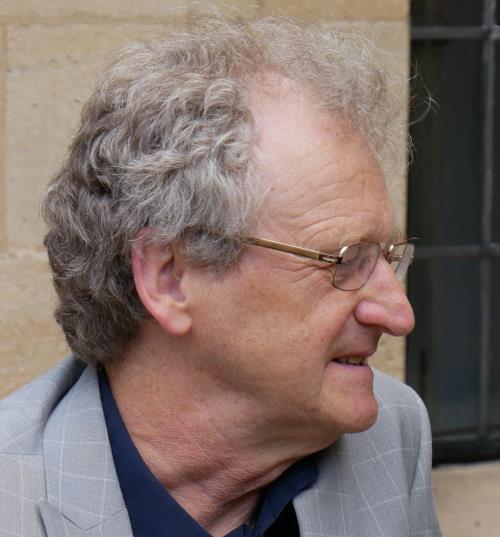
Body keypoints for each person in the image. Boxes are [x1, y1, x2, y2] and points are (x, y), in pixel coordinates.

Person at [0, 11, 441, 537]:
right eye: (345, 260)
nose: (399, 314)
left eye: (389, 256)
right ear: (169, 278)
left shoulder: (392, 432)